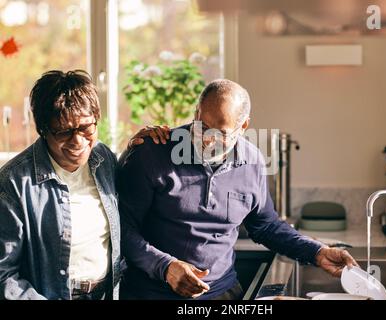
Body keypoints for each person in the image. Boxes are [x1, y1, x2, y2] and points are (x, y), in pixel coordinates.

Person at [117, 79, 358, 300]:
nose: (207, 140)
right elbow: (122, 228)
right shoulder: (152, 152)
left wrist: (317, 252)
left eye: (220, 132)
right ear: (196, 113)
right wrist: (166, 267)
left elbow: (265, 226)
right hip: (151, 293)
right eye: (202, 126)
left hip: (222, 293)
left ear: (243, 126)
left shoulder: (252, 161)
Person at [0, 70, 156, 300]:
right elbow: (4, 275)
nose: (78, 141)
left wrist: (141, 148)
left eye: (85, 128)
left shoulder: (103, 158)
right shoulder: (13, 183)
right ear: (43, 130)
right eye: (64, 132)